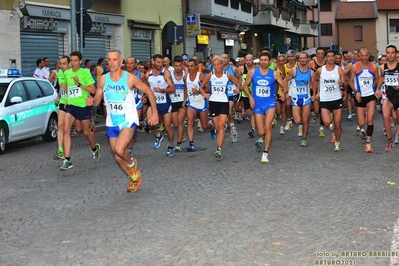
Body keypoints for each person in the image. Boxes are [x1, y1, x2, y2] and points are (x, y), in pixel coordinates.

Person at [93, 50, 158, 193]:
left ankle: (132, 164)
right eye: (109, 59)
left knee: (119, 149)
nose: (111, 62)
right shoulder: (103, 79)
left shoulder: (130, 78)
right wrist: (91, 101)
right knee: (117, 157)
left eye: (115, 59)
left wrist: (154, 113)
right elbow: (97, 100)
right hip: (112, 121)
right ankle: (134, 177)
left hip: (128, 119)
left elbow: (148, 91)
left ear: (121, 62)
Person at [242, 52, 286, 163]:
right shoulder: (252, 72)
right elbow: (245, 86)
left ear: (270, 61)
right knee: (261, 132)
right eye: (261, 60)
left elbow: (284, 85)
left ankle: (265, 153)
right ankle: (262, 137)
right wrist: (250, 98)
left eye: (265, 60)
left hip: (270, 103)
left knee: (267, 127)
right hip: (257, 104)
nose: (263, 62)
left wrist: (284, 93)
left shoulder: (274, 74)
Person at [60, 51, 100, 170]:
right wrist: (66, 99)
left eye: (75, 61)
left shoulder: (85, 73)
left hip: (83, 107)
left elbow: (93, 90)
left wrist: (79, 85)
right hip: (71, 106)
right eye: (71, 60)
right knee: (66, 130)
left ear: (81, 61)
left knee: (86, 132)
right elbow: (68, 88)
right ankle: (67, 160)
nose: (73, 63)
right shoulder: (67, 73)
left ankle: (94, 147)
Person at [198, 55, 240, 158]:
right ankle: (221, 130)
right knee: (217, 127)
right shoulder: (210, 76)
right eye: (214, 65)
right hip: (213, 103)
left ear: (222, 65)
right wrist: (204, 94)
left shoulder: (227, 75)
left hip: (224, 102)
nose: (216, 67)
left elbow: (237, 81)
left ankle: (219, 148)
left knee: (221, 126)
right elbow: (200, 87)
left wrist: (237, 89)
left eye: (218, 64)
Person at [312, 50, 346, 151]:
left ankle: (337, 143)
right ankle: (332, 126)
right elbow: (314, 80)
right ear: (325, 58)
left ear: (335, 58)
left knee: (338, 123)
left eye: (332, 56)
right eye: (329, 56)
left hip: (336, 98)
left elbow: (345, 84)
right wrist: (315, 94)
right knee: (327, 123)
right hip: (325, 99)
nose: (331, 58)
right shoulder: (320, 70)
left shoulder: (339, 70)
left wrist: (342, 84)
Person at [348, 47, 379, 153]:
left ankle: (368, 143)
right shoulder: (354, 67)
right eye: (362, 56)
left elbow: (377, 79)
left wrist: (377, 89)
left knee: (370, 118)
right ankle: (362, 129)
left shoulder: (374, 67)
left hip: (370, 95)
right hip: (360, 96)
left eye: (366, 56)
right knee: (361, 122)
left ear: (369, 55)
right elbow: (350, 81)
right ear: (359, 56)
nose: (364, 58)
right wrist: (356, 92)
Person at [147, 54, 176, 156]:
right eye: (158, 62)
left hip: (164, 102)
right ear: (153, 62)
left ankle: (171, 145)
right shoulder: (148, 74)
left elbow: (173, 88)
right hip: (153, 103)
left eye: (162, 62)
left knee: (168, 127)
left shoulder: (166, 73)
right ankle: (158, 135)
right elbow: (145, 88)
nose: (160, 64)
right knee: (150, 124)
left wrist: (163, 90)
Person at [284, 52, 314, 147]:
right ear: (298, 59)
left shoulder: (311, 72)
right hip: (296, 98)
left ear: (307, 59)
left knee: (305, 119)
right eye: (301, 58)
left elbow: (315, 84)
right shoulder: (294, 71)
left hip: (306, 98)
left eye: (304, 58)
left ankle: (304, 137)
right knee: (297, 121)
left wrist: (315, 93)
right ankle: (302, 125)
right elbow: (285, 80)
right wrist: (286, 93)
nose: (302, 60)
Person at [183, 59, 213, 151]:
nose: (190, 68)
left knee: (205, 125)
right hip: (191, 103)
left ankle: (212, 127)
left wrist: (198, 91)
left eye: (192, 66)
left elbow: (208, 89)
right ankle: (191, 143)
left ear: (196, 66)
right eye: (188, 66)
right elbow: (186, 88)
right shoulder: (186, 77)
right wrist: (184, 100)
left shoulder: (201, 77)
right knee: (190, 122)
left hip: (201, 103)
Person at [377, 44, 399, 152]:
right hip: (387, 94)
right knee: (386, 116)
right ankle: (390, 140)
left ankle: (397, 134)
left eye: (392, 52)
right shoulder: (382, 67)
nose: (390, 55)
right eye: (388, 52)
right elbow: (381, 78)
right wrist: (377, 89)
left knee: (398, 119)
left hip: (398, 95)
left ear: (395, 54)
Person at [221, 53, 242, 143]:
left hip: (232, 93)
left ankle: (232, 126)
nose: (224, 60)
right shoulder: (217, 69)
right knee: (224, 112)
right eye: (222, 58)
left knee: (229, 108)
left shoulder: (233, 68)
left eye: (225, 58)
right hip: (222, 94)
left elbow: (239, 78)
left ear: (228, 59)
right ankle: (228, 123)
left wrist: (238, 87)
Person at [53, 56, 70, 160]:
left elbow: (70, 88)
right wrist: (58, 96)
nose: (62, 66)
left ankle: (88, 123)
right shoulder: (59, 73)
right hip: (62, 102)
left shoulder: (71, 74)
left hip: (72, 102)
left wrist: (69, 100)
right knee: (60, 126)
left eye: (64, 64)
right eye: (61, 63)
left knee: (79, 128)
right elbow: (61, 87)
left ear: (69, 64)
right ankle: (60, 150)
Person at [308, 47, 326, 137]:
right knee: (316, 109)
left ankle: (321, 128)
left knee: (323, 109)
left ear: (324, 54)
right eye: (318, 53)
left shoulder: (327, 63)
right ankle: (315, 114)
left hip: (324, 88)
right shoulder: (312, 63)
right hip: (314, 87)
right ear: (316, 54)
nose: (320, 55)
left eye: (322, 53)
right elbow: (306, 73)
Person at [170, 56, 186, 151]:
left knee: (180, 121)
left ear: (182, 65)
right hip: (172, 101)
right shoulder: (170, 76)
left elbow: (187, 88)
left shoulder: (185, 75)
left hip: (182, 102)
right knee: (175, 124)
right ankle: (182, 134)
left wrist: (185, 100)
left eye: (179, 65)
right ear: (173, 66)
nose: (178, 67)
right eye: (176, 66)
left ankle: (178, 144)